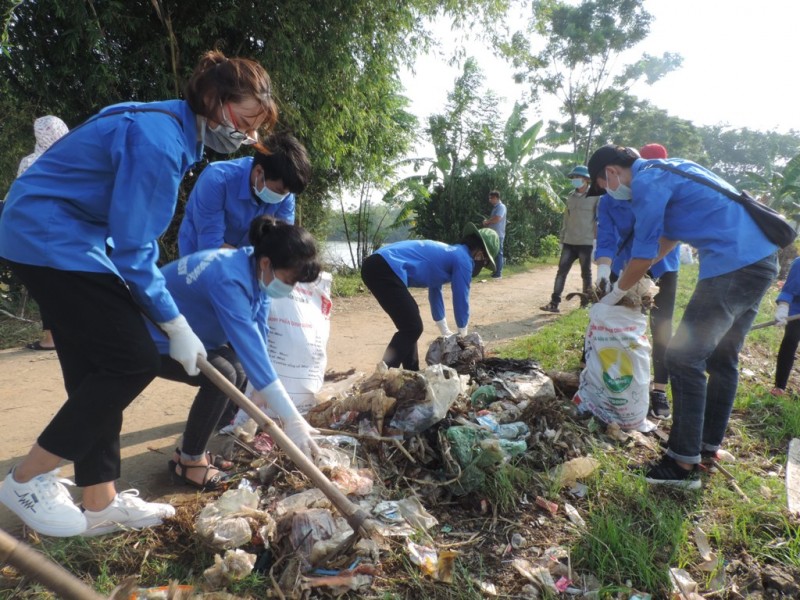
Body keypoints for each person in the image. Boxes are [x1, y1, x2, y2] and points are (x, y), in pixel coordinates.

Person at [0, 50, 277, 537]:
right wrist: (176, 325)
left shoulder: (171, 127)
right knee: (131, 358)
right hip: (50, 236)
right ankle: (27, 478)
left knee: (95, 368)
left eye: (256, 129)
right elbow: (135, 251)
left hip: (67, 237)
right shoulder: (160, 140)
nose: (248, 138)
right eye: (246, 121)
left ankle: (100, 501)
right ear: (214, 99)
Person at [587, 144, 779, 489]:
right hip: (761, 260)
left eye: (603, 184)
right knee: (722, 357)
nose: (607, 192)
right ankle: (706, 447)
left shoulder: (647, 182)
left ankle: (681, 463)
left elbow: (644, 253)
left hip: (732, 264)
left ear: (612, 172)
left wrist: (615, 295)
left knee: (683, 356)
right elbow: (668, 239)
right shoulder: (669, 170)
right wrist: (629, 280)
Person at [152, 216, 321, 490]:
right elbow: (246, 343)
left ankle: (188, 448)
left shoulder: (252, 268)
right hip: (154, 337)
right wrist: (292, 419)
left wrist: (261, 388)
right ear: (267, 263)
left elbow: (260, 335)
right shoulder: (229, 278)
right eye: (290, 280)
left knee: (239, 371)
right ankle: (189, 462)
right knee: (225, 374)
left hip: (192, 337)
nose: (290, 289)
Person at [594, 143, 680, 420]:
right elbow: (606, 239)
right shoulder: (607, 200)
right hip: (625, 269)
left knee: (661, 328)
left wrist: (636, 276)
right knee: (620, 324)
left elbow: (664, 236)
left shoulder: (653, 188)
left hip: (662, 267)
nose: (607, 188)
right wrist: (604, 271)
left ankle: (658, 389)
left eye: (605, 182)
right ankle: (615, 376)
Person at [361, 224, 499, 371]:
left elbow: (435, 292)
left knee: (410, 322)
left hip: (376, 264)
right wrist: (463, 334)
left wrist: (444, 329)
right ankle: (384, 374)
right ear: (479, 252)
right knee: (412, 327)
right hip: (383, 267)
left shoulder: (451, 253)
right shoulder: (463, 259)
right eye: (484, 260)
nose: (482, 264)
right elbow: (461, 297)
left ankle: (411, 371)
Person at [178, 131, 310, 255]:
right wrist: (255, 263)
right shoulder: (216, 181)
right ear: (259, 172)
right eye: (279, 191)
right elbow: (211, 244)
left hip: (244, 260)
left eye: (287, 193)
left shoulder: (285, 193)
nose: (283, 197)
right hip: (198, 257)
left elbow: (281, 242)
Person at [15, 116, 70, 352]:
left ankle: (50, 339)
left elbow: (18, 200)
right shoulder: (75, 158)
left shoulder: (30, 163)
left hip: (36, 234)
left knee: (47, 286)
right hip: (71, 232)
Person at [541, 165, 599, 312]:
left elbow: (598, 220)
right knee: (561, 272)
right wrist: (561, 239)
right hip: (569, 242)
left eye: (577, 178)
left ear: (586, 180)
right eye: (573, 178)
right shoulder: (570, 198)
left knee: (586, 274)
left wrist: (595, 241)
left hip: (586, 242)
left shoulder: (595, 197)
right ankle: (554, 303)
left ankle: (585, 304)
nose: (575, 180)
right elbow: (566, 220)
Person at [771, 257, 800, 396]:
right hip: (797, 310)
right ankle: (780, 385)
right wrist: (783, 307)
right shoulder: (799, 263)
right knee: (791, 340)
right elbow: (788, 290)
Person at [482, 190, 506, 279]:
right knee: (494, 252)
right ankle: (495, 271)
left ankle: (498, 274)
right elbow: (494, 219)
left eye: (491, 198)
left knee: (499, 252)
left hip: (498, 234)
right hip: (494, 234)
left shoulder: (501, 207)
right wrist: (487, 223)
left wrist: (487, 221)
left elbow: (497, 219)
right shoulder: (495, 207)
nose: (490, 200)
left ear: (496, 198)